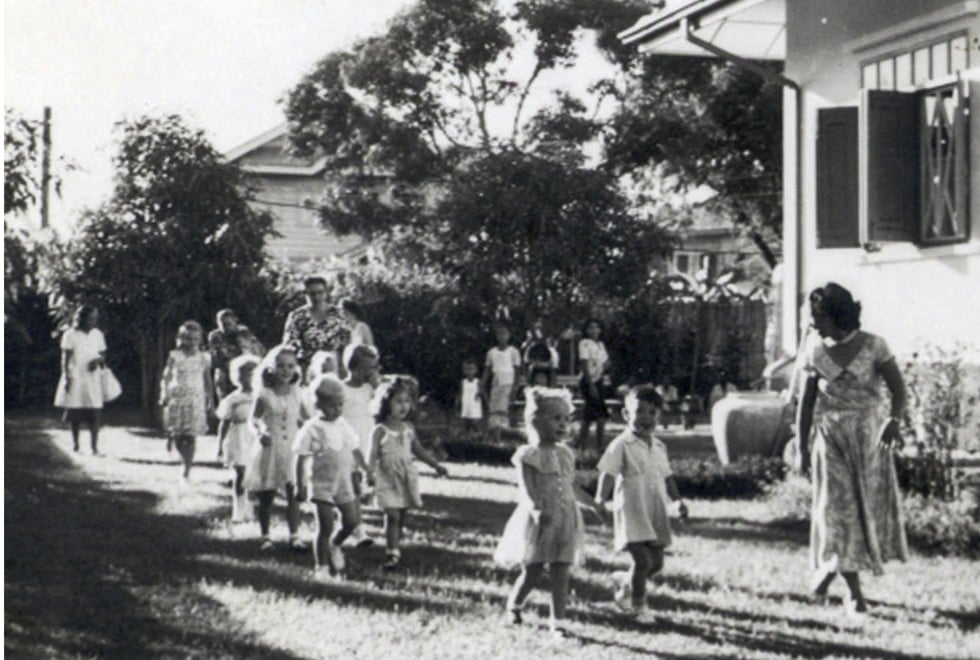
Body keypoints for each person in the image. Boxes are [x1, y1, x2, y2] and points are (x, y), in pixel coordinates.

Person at [796, 283, 908, 624]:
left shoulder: (875, 345)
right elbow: (806, 403)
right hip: (830, 439)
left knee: (861, 514)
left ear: (838, 315)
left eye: (818, 316)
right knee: (836, 511)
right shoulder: (814, 350)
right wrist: (801, 447)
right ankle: (855, 596)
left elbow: (898, 390)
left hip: (869, 439)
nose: (813, 323)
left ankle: (829, 572)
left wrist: (894, 420)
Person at [494, 387, 599, 639]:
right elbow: (527, 490)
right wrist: (536, 510)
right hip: (540, 519)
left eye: (566, 419)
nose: (563, 424)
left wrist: (593, 503)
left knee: (561, 570)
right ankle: (515, 604)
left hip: (565, 518)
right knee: (533, 570)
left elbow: (571, 486)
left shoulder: (565, 454)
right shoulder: (528, 455)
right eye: (556, 418)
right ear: (535, 421)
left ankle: (558, 623)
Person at [594, 385, 687, 619]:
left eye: (652, 413)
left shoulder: (659, 446)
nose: (646, 418)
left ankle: (625, 582)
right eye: (640, 411)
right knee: (642, 561)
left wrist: (678, 501)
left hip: (655, 509)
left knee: (656, 563)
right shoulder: (621, 444)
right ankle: (639, 605)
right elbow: (608, 473)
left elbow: (667, 476)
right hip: (632, 508)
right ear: (626, 415)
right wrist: (599, 500)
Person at [294, 375, 371, 578]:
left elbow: (355, 449)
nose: (337, 410)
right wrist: (299, 485)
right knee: (325, 524)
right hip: (321, 483)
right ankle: (322, 567)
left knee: (352, 521)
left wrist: (366, 469)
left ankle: (335, 545)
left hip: (343, 481)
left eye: (340, 405)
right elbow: (300, 457)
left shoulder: (343, 424)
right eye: (331, 405)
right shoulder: (311, 429)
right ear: (317, 404)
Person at [369, 377, 448, 570]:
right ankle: (392, 553)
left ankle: (395, 542)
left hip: (405, 476)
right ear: (386, 404)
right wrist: (369, 473)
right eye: (398, 401)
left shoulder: (409, 428)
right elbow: (371, 454)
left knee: (401, 513)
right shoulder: (380, 430)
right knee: (392, 514)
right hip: (387, 476)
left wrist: (435, 465)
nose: (403, 406)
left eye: (406, 401)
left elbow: (418, 450)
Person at [244, 344, 314, 551]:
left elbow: (307, 420)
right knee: (267, 493)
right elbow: (252, 420)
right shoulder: (264, 394)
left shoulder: (298, 393)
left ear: (296, 369)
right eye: (281, 366)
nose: (286, 371)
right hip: (270, 447)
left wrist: (311, 437)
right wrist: (259, 432)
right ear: (271, 368)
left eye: (290, 366)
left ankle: (295, 536)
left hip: (292, 448)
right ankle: (265, 536)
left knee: (294, 493)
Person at [160, 321, 213, 480]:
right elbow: (167, 376)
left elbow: (207, 378)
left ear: (199, 340)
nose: (191, 342)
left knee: (190, 435)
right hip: (177, 397)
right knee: (177, 433)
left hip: (195, 398)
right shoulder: (174, 356)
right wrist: (164, 394)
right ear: (180, 338)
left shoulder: (204, 357)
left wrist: (209, 397)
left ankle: (186, 469)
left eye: (195, 339)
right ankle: (172, 441)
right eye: (187, 338)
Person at [341, 343, 382, 547]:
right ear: (354, 367)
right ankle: (357, 528)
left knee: (357, 485)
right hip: (347, 443)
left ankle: (356, 526)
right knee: (350, 485)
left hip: (365, 441)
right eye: (368, 367)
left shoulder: (370, 390)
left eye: (374, 367)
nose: (372, 371)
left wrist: (377, 386)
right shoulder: (341, 388)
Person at [54, 305, 108, 454]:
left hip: (93, 377)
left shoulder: (98, 334)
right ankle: (76, 444)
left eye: (95, 318)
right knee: (75, 411)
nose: (93, 321)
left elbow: (103, 354)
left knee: (95, 410)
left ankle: (94, 447)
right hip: (76, 375)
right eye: (90, 318)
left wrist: (97, 361)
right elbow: (65, 358)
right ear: (81, 318)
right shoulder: (70, 335)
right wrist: (66, 376)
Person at [216, 354, 260, 522]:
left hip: (254, 438)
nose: (247, 378)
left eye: (251, 373)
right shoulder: (233, 399)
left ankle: (250, 508)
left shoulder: (260, 396)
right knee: (240, 474)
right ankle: (238, 510)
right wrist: (220, 445)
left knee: (254, 475)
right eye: (242, 374)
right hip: (239, 437)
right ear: (236, 377)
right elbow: (224, 423)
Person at [282, 276, 353, 380]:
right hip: (306, 366)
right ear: (305, 294)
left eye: (320, 292)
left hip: (334, 365)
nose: (316, 297)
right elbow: (289, 343)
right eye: (312, 294)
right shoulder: (297, 316)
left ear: (326, 292)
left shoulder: (338, 313)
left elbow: (347, 340)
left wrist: (344, 364)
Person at [208, 309, 263, 402]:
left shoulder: (244, 332)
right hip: (225, 374)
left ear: (235, 320)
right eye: (222, 324)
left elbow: (258, 350)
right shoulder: (215, 336)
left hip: (244, 372)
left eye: (228, 324)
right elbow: (216, 357)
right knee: (226, 401)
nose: (225, 327)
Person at [482, 323, 522, 442]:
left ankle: (507, 437)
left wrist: (515, 387)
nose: (501, 336)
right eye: (499, 333)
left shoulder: (513, 351)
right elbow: (487, 370)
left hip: (508, 383)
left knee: (505, 409)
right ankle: (495, 437)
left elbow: (517, 372)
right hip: (496, 383)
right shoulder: (491, 352)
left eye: (504, 333)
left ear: (509, 335)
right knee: (494, 410)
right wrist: (482, 384)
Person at [577, 318, 611, 453]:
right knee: (597, 415)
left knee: (592, 416)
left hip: (599, 380)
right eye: (590, 327)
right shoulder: (584, 343)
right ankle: (593, 446)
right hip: (588, 381)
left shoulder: (601, 344)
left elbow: (605, 361)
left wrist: (605, 367)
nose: (594, 330)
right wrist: (591, 384)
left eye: (596, 327)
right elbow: (584, 363)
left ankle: (587, 445)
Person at [457, 359, 483, 433]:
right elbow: (460, 393)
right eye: (467, 369)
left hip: (474, 405)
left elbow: (482, 392)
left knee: (475, 423)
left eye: (471, 369)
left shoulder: (477, 382)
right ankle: (467, 437)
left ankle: (479, 435)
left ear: (476, 370)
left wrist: (479, 394)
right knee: (466, 423)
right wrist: (458, 402)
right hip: (466, 405)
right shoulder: (463, 382)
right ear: (463, 371)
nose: (469, 372)